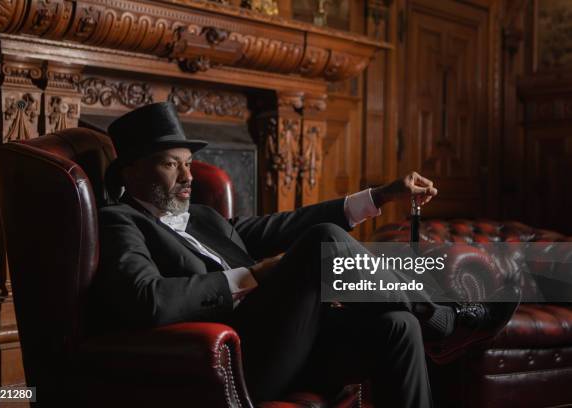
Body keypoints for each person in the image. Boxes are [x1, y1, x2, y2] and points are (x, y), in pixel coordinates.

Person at [92, 102, 519, 408]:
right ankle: (445, 318)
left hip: (295, 345)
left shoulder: (204, 217)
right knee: (321, 241)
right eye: (171, 164)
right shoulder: (120, 222)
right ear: (131, 170)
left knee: (397, 323)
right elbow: (145, 298)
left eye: (188, 163)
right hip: (241, 360)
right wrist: (251, 277)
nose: (188, 176)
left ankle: (429, 317)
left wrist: (383, 195)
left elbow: (287, 224)